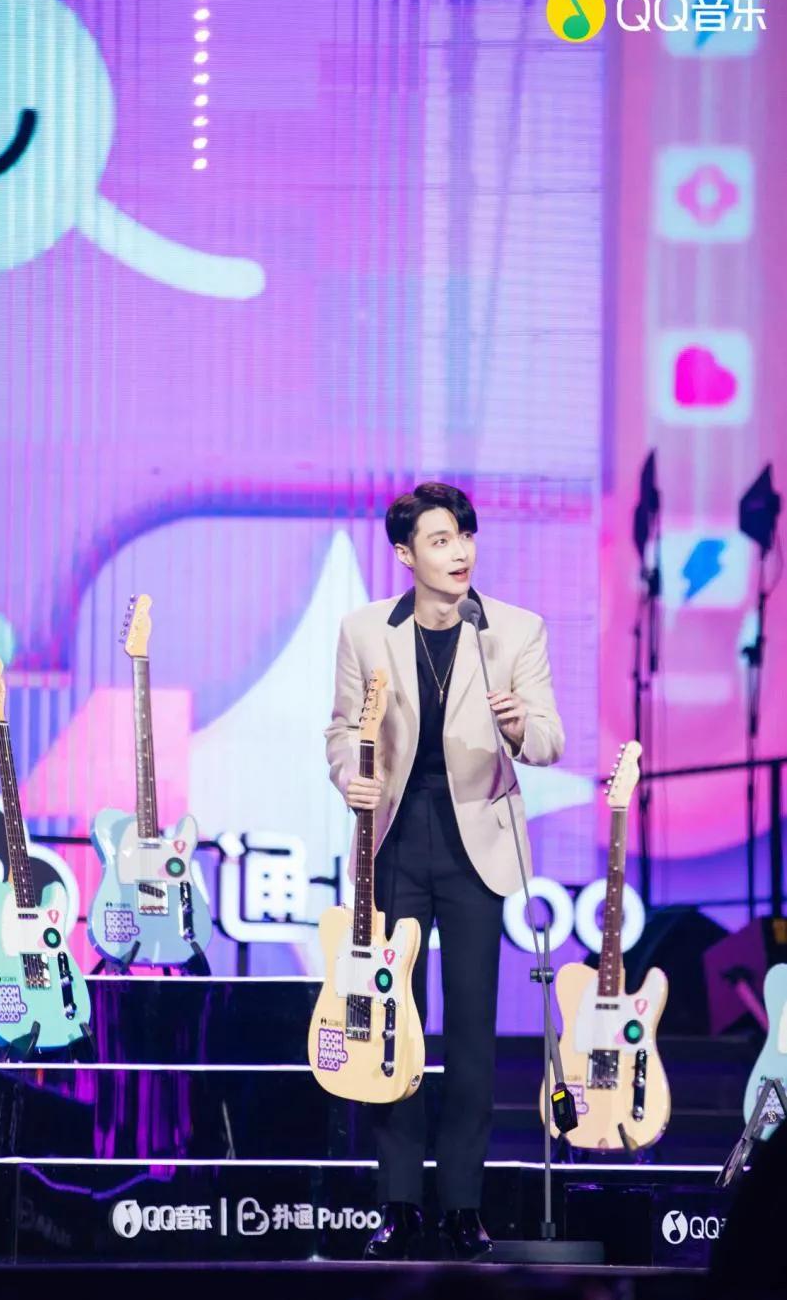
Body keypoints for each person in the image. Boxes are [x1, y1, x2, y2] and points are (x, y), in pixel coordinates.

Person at [325, 482, 565, 1261]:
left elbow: (551, 741)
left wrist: (520, 726)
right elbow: (340, 731)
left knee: (469, 1035)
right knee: (390, 1027)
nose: (458, 552)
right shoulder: (365, 631)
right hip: (395, 842)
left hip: (474, 849)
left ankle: (462, 1205)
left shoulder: (513, 630)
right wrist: (350, 776)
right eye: (438, 540)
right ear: (404, 554)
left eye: (464, 536)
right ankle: (398, 1204)